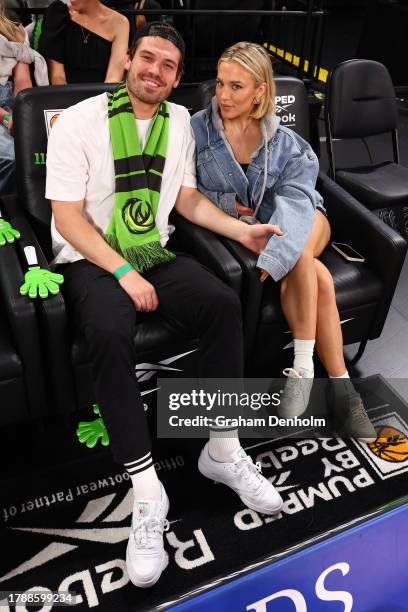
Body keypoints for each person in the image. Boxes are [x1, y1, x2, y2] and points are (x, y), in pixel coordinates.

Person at [46, 22, 284, 589]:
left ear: (177, 79)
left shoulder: (178, 122)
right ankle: (148, 491)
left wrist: (238, 230)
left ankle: (222, 448)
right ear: (129, 61)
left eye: (167, 65)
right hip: (94, 258)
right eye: (146, 58)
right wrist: (122, 271)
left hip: (152, 249)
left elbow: (185, 199)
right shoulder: (78, 120)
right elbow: (66, 217)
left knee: (222, 303)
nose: (153, 71)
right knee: (107, 332)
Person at [191, 41, 377, 442]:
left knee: (296, 253)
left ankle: (305, 373)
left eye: (236, 86)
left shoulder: (285, 140)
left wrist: (276, 253)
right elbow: (187, 191)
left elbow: (297, 202)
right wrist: (228, 204)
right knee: (317, 275)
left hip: (306, 219)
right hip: (264, 229)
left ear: (260, 90)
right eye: (221, 83)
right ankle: (343, 391)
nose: (223, 95)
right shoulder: (196, 130)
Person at [0, 6, 48, 194]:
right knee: (11, 156)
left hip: (10, 102)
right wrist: (5, 117)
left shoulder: (12, 28)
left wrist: (22, 115)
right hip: (3, 112)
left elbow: (22, 81)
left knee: (34, 152)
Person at [39, 0, 129, 84]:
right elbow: (57, 77)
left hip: (102, 96)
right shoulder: (58, 15)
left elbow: (113, 79)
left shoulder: (119, 23)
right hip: (65, 95)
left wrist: (100, 101)